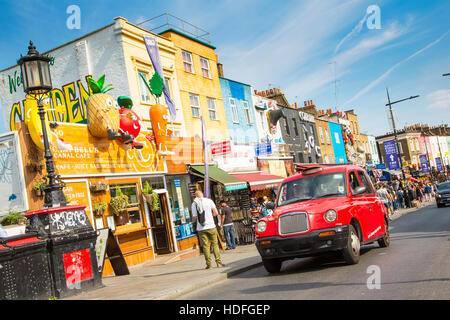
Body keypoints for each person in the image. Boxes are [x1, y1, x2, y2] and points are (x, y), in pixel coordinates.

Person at [192, 190, 224, 269]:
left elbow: (195, 217)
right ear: (202, 194)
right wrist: (210, 216)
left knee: (205, 246)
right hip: (211, 226)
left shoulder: (194, 204)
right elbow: (216, 213)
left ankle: (209, 265)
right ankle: (219, 263)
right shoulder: (209, 201)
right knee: (215, 244)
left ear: (196, 196)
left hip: (201, 228)